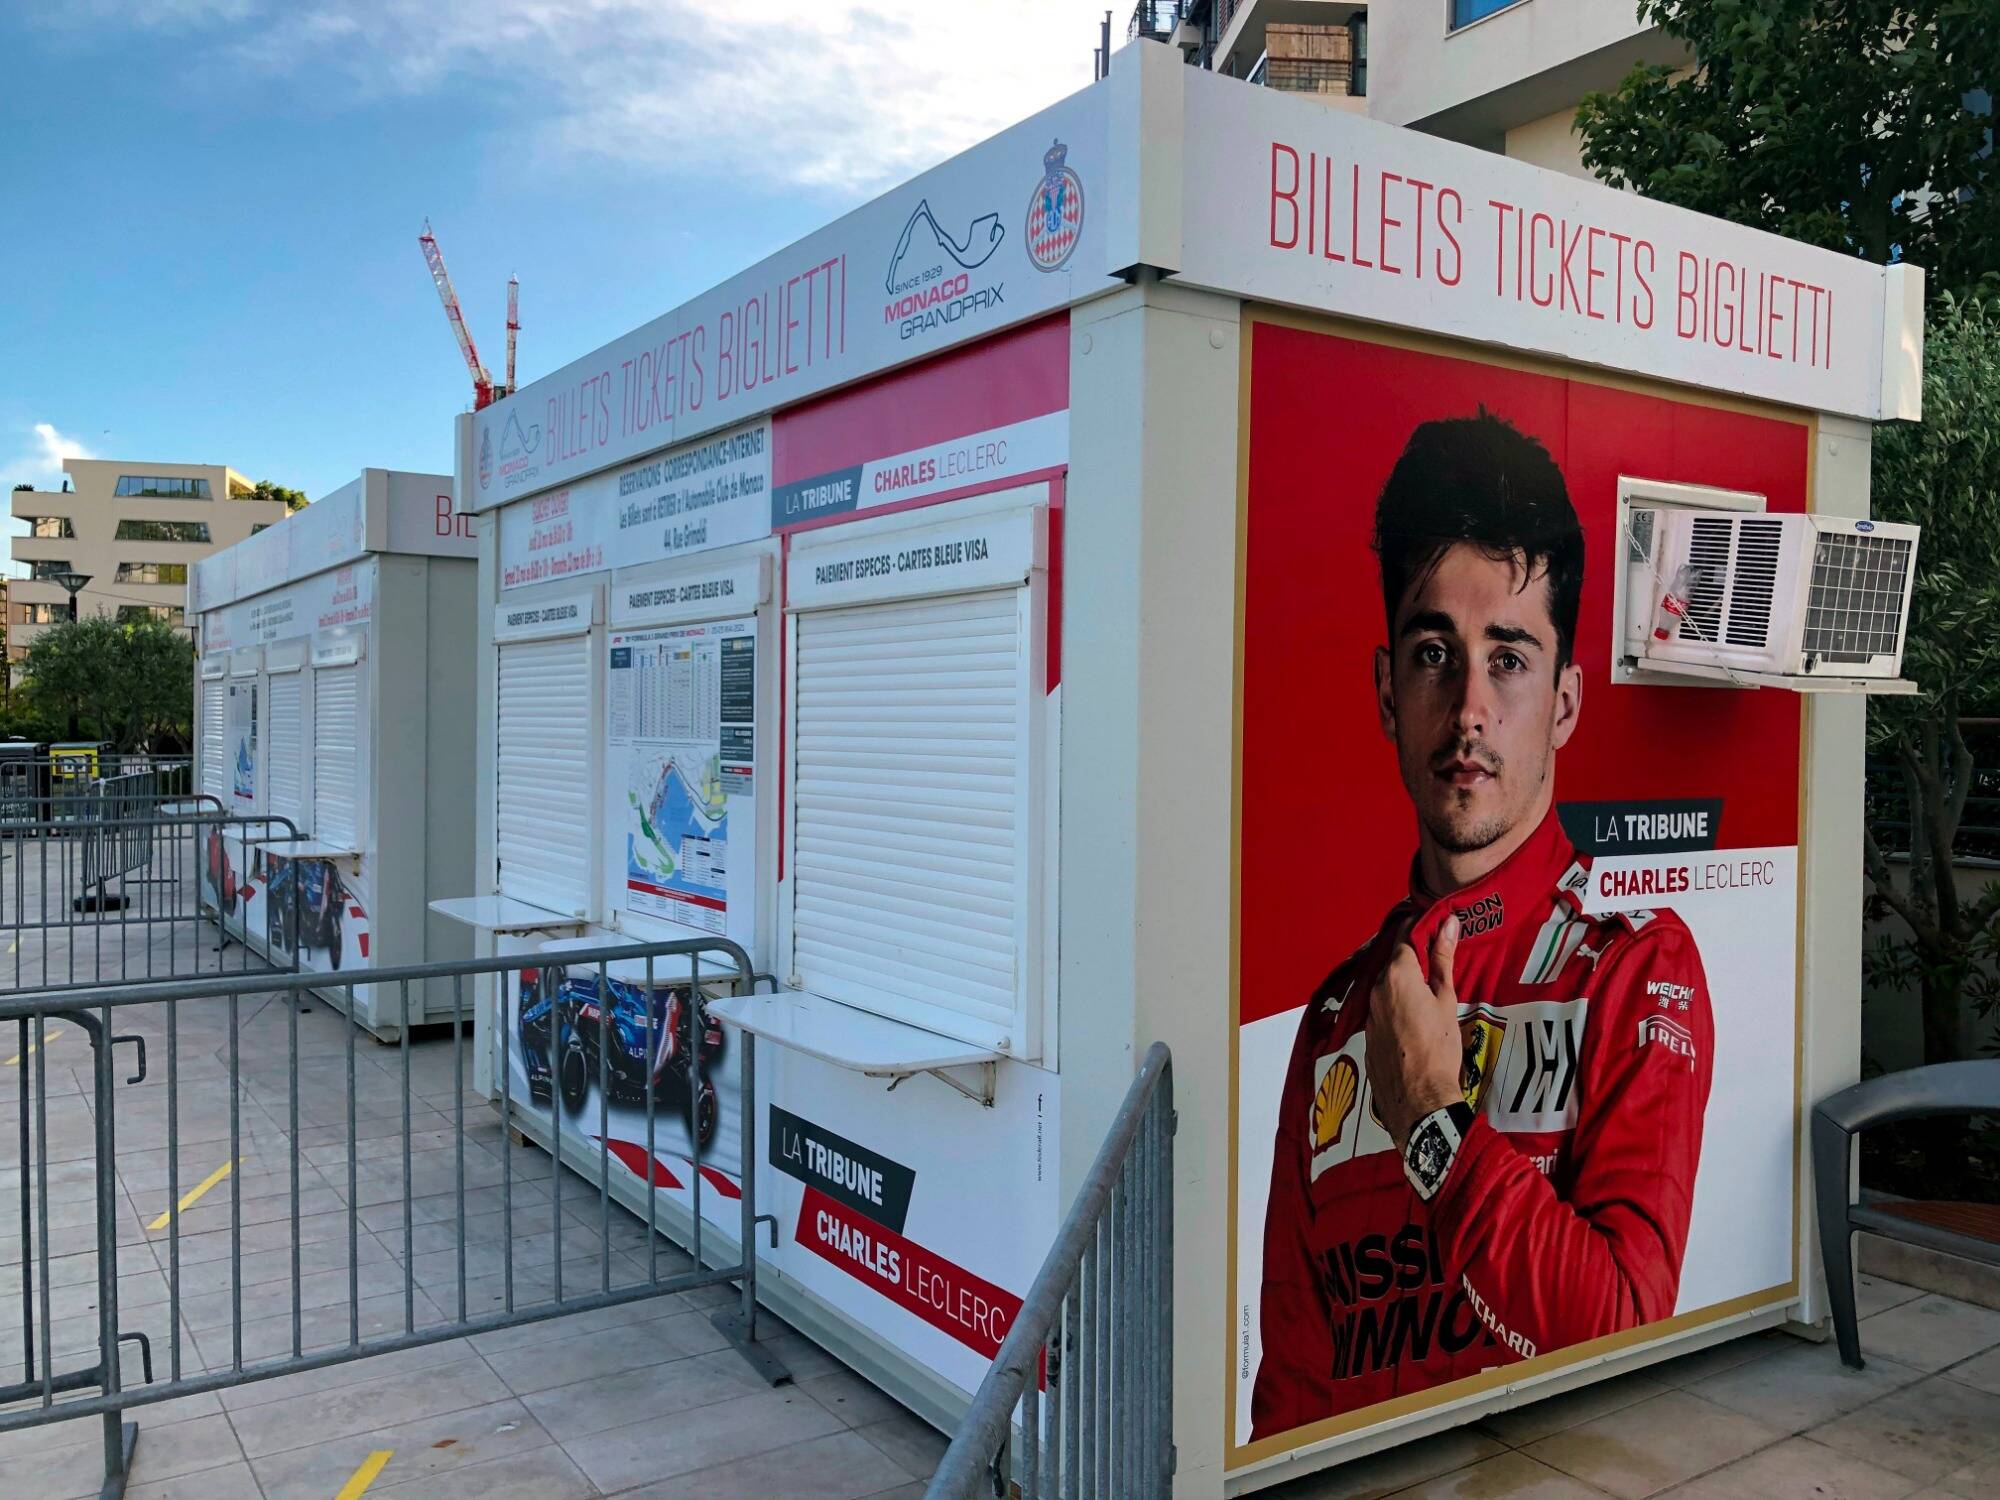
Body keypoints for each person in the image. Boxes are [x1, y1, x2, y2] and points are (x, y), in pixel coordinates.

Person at [1250, 411, 1715, 1437]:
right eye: (1434, 653)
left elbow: (1622, 1333)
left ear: (1564, 702)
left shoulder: (1634, 967)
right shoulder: (1338, 1014)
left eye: (1507, 660)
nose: (1467, 708)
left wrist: (1433, 1121)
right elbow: (1292, 1379)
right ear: (1387, 692)